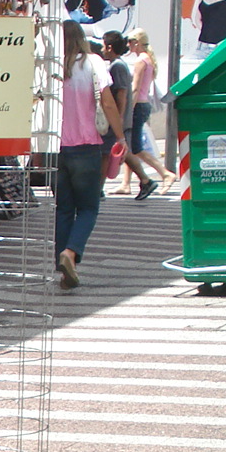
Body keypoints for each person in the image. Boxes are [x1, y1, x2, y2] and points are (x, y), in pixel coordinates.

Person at [55, 22, 128, 291]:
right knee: (88, 207)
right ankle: (70, 254)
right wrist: (120, 136)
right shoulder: (93, 62)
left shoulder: (49, 67)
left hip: (57, 149)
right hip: (86, 146)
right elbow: (107, 102)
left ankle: (65, 271)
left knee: (63, 209)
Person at [118, 28, 174, 196]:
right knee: (129, 144)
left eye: (130, 41)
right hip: (143, 105)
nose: (128, 45)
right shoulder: (148, 59)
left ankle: (165, 173)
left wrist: (128, 109)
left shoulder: (140, 61)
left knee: (135, 148)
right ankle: (125, 183)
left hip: (138, 106)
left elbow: (135, 88)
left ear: (136, 43)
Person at [100, 30, 155, 200]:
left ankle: (98, 190)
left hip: (117, 118)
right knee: (117, 151)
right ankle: (145, 181)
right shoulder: (118, 65)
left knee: (109, 151)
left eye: (103, 45)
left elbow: (122, 93)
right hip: (117, 117)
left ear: (109, 47)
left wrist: (119, 118)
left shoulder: (117, 66)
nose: (102, 49)